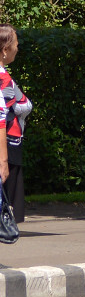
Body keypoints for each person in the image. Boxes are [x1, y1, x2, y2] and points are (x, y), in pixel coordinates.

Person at [0, 25, 31, 224]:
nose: (17, 49)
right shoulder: (3, 78)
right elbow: (22, 104)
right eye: (16, 45)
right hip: (8, 139)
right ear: (5, 50)